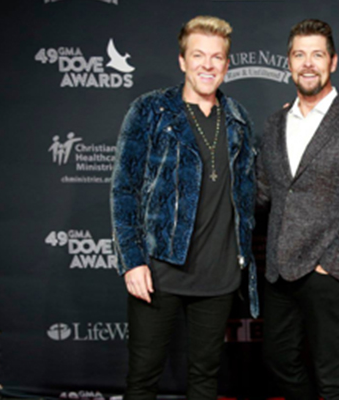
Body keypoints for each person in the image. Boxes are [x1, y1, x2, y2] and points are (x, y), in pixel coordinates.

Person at [110, 15, 257, 400]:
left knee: (205, 378)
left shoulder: (238, 119)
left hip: (219, 274)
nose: (208, 65)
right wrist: (132, 260)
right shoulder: (150, 111)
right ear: (182, 60)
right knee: (143, 377)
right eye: (198, 55)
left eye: (216, 57)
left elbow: (250, 192)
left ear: (227, 64)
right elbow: (124, 190)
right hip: (159, 270)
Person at [257, 18, 339, 400]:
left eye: (317, 55)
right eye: (300, 55)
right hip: (280, 272)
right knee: (280, 361)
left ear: (333, 61)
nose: (308, 64)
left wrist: (332, 263)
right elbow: (262, 193)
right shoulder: (274, 124)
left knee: (333, 377)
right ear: (289, 62)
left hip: (329, 271)